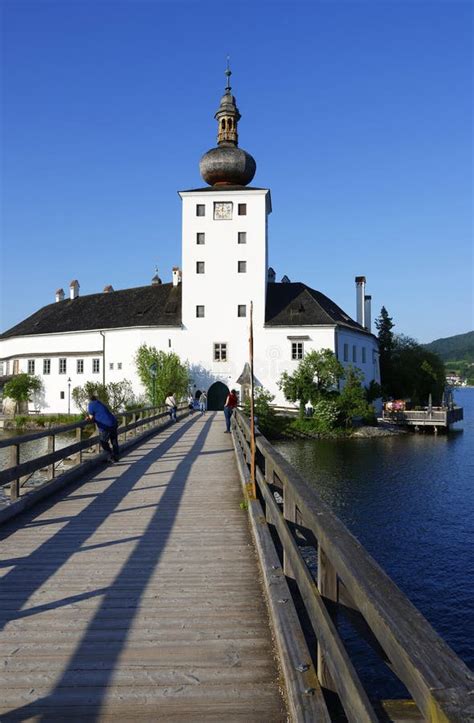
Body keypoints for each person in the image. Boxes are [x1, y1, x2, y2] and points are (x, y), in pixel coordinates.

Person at [86, 394, 119, 463]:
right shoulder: (100, 403)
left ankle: (111, 455)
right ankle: (115, 456)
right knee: (114, 441)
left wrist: (88, 418)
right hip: (113, 422)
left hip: (106, 425)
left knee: (103, 442)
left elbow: (91, 417)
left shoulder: (91, 405)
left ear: (89, 400)